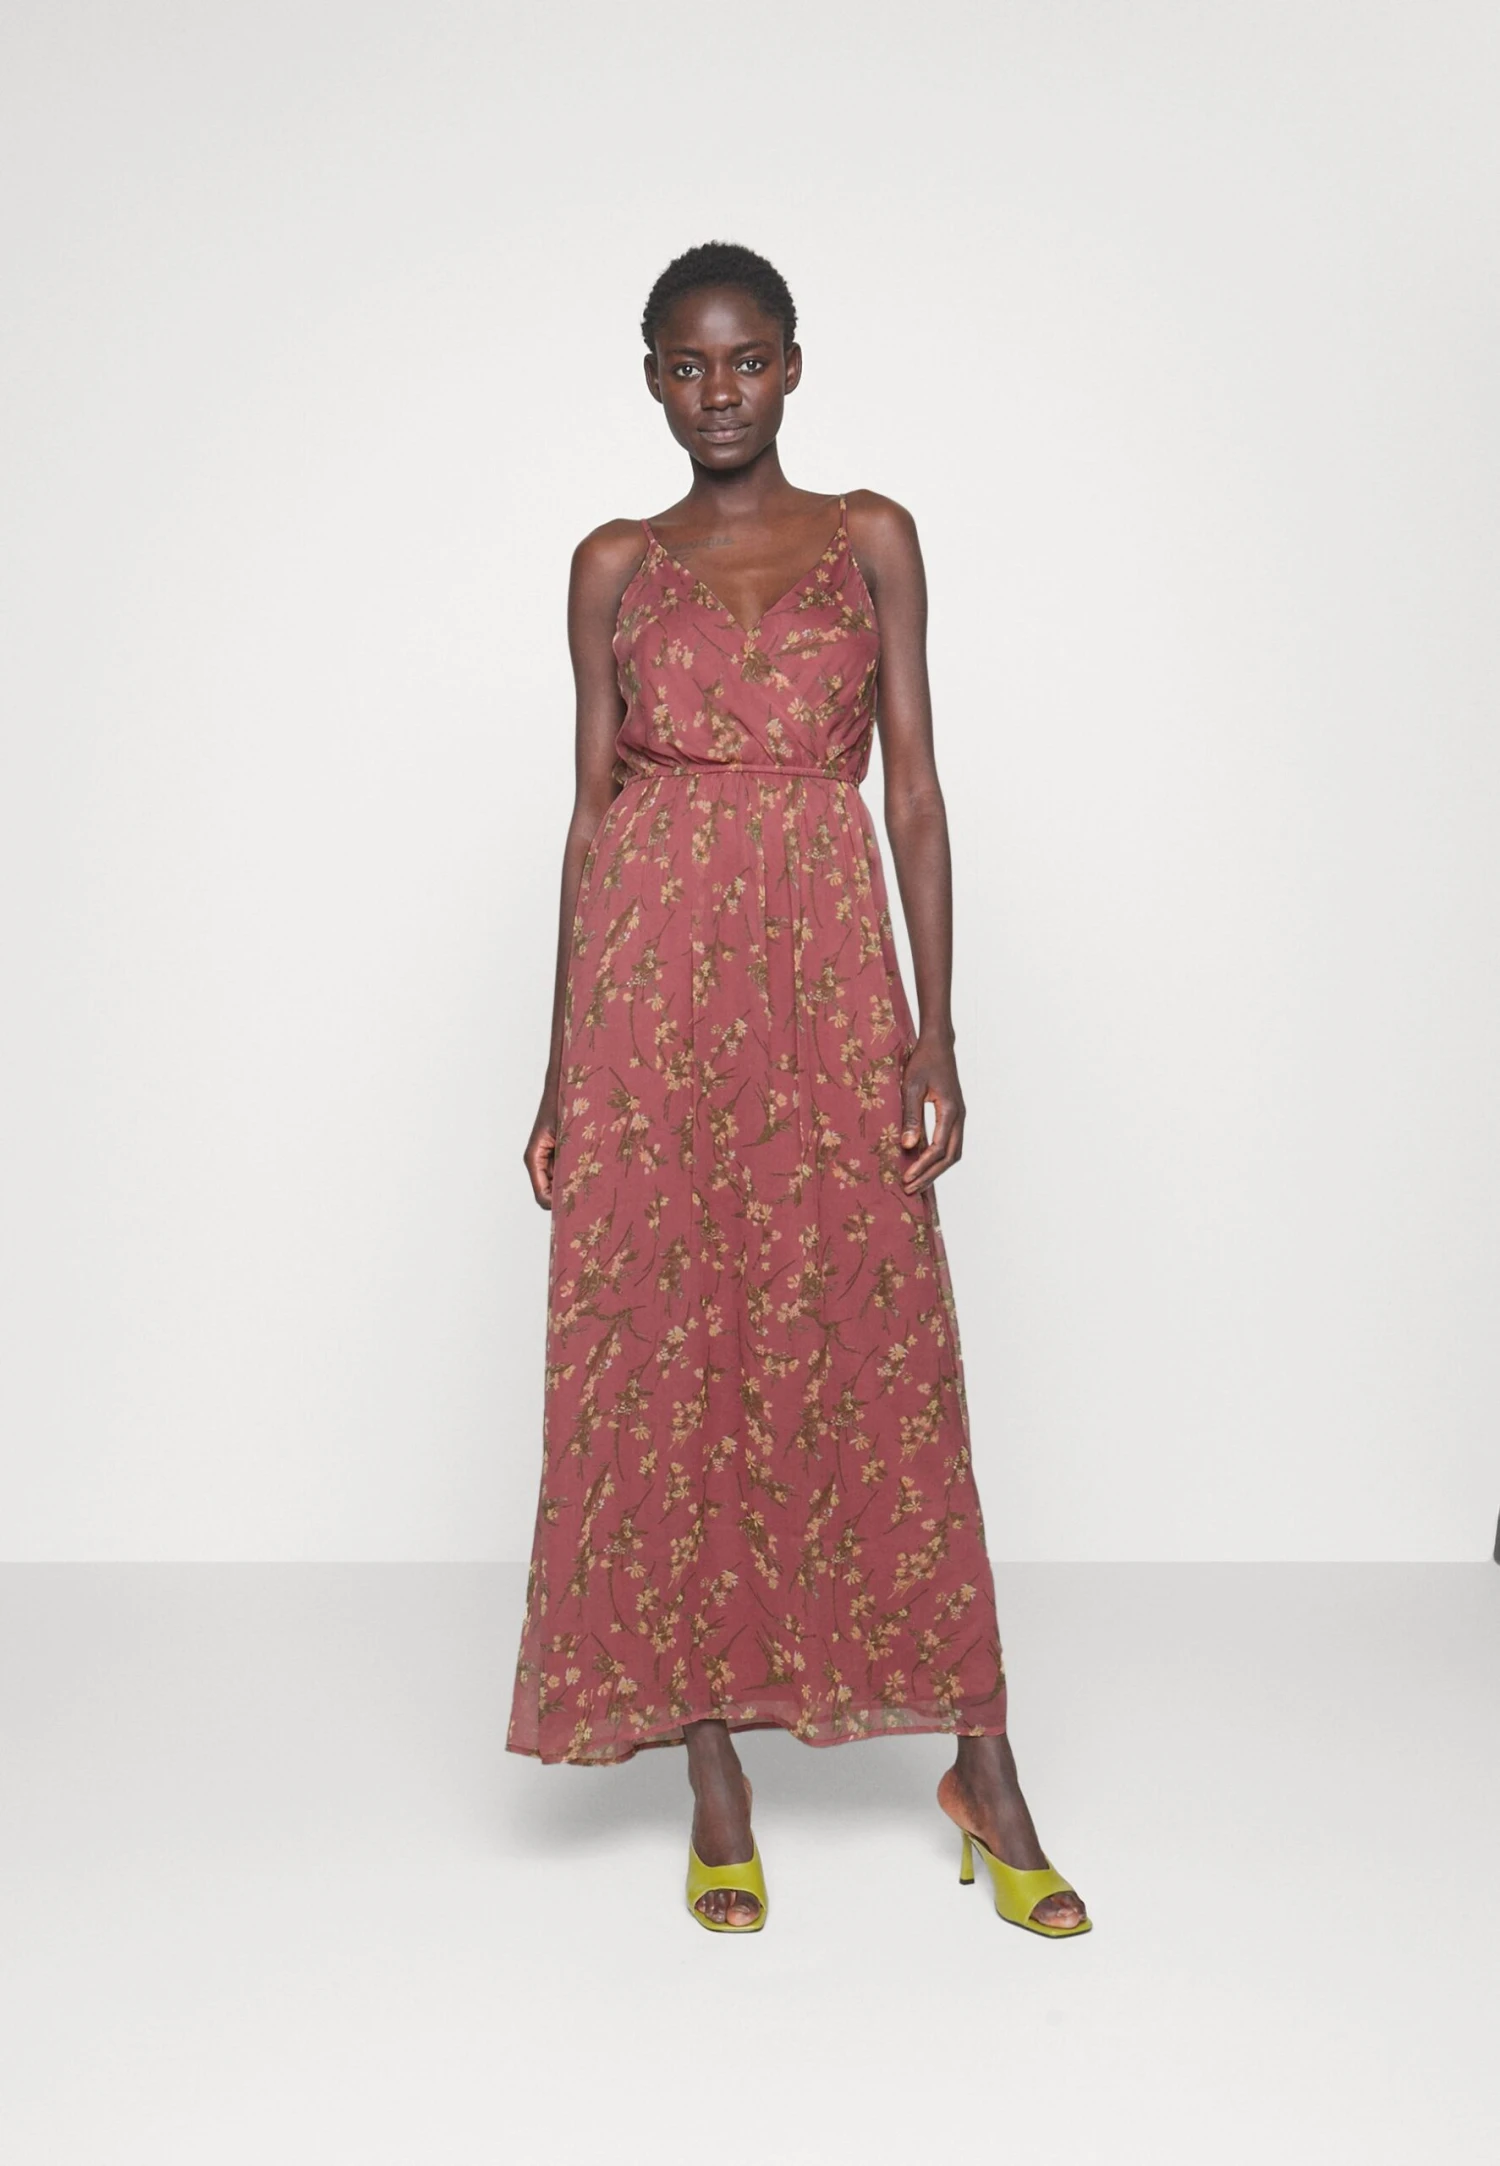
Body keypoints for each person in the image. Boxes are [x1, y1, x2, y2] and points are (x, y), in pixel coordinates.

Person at [509, 241, 1089, 1939]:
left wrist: (937, 1030)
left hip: (829, 977)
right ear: (650, 379)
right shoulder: (612, 565)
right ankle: (713, 1772)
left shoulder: (871, 537)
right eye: (689, 366)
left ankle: (984, 1765)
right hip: (649, 1009)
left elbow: (915, 790)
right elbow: (591, 818)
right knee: (669, 1347)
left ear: (794, 365)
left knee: (877, 1332)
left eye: (747, 360)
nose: (720, 393)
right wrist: (556, 1070)